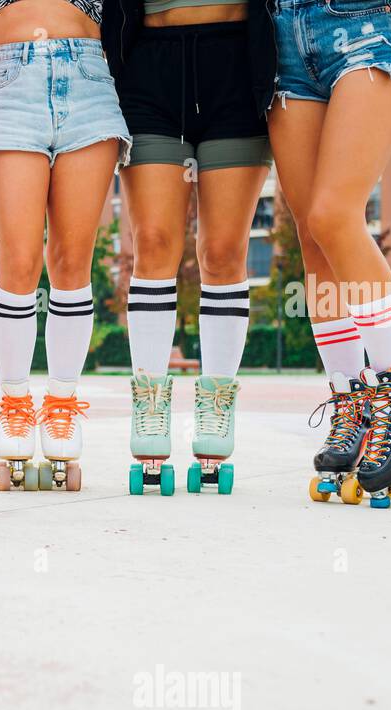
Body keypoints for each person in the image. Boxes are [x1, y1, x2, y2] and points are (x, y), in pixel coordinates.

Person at [268, 0, 391, 508]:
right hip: (283, 34)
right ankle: (350, 399)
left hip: (364, 21)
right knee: (313, 237)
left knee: (335, 216)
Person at [102, 0, 274, 496]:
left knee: (222, 252)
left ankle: (217, 402)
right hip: (148, 64)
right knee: (153, 242)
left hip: (236, 62)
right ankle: (151, 403)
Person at [0, 0, 129, 492]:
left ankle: (62, 404)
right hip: (9, 80)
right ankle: (16, 405)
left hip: (88, 78)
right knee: (18, 262)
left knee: (71, 262)